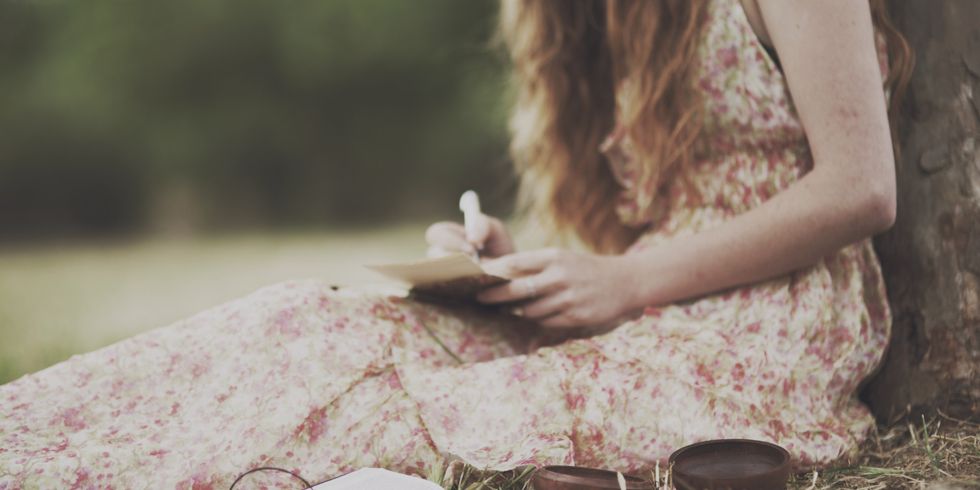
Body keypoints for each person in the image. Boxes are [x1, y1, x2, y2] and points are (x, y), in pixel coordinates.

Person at [0, 0, 912, 487]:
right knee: (305, 320)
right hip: (651, 301)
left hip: (766, 329)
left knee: (395, 409)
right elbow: (648, 230)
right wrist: (514, 266)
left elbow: (862, 187)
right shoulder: (613, 15)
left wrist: (627, 280)